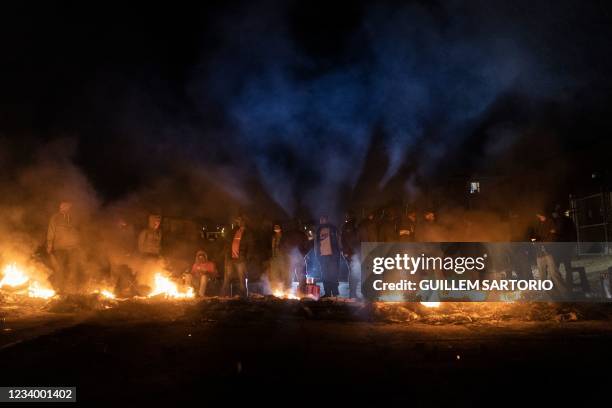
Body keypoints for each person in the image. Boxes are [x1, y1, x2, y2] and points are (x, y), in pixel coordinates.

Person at [47, 200, 83, 294]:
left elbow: (77, 232)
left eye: (66, 206)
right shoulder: (55, 218)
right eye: (62, 206)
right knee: (60, 268)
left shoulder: (73, 218)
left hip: (72, 248)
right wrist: (49, 245)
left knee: (73, 269)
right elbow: (51, 232)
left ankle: (72, 290)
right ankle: (60, 289)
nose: (63, 208)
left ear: (69, 208)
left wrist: (78, 245)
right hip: (60, 248)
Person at [531, 211, 569, 297]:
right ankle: (546, 294)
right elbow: (535, 236)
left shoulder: (550, 222)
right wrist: (535, 241)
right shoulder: (538, 224)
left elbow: (553, 235)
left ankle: (564, 292)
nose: (538, 216)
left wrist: (545, 243)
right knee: (542, 275)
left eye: (538, 214)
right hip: (539, 253)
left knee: (554, 273)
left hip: (548, 252)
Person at [223, 216, 253, 297]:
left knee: (241, 277)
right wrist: (226, 252)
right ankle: (225, 296)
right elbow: (228, 241)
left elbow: (250, 245)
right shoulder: (234, 231)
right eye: (237, 220)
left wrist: (247, 257)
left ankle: (243, 296)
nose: (237, 222)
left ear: (244, 221)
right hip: (230, 257)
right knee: (227, 277)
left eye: (239, 220)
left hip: (241, 258)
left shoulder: (248, 233)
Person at [314, 215, 341, 298]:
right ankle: (327, 293)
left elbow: (339, 240)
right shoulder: (318, 230)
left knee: (333, 274)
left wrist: (340, 251)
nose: (321, 221)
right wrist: (317, 254)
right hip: (322, 256)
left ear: (327, 219)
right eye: (320, 219)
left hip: (333, 255)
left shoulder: (333, 228)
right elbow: (316, 243)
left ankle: (335, 293)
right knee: (325, 275)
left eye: (323, 219)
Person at [341, 212, 360, 298]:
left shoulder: (349, 227)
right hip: (351, 252)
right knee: (354, 272)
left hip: (351, 252)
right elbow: (348, 240)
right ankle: (352, 294)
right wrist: (348, 252)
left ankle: (353, 293)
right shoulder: (349, 227)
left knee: (354, 271)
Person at [268, 224, 291, 292]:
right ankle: (277, 289)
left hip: (283, 256)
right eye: (275, 227)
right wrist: (273, 255)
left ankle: (286, 289)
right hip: (276, 257)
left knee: (284, 273)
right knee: (276, 273)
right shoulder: (274, 236)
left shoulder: (284, 236)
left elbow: (287, 246)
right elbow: (273, 247)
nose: (276, 228)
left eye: (277, 226)